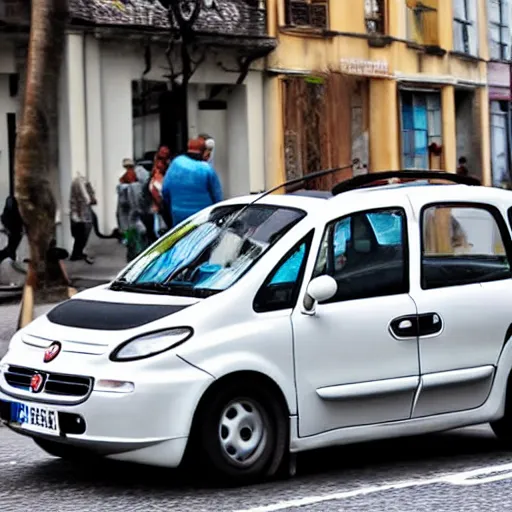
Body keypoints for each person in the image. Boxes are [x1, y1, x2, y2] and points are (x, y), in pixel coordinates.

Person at [162, 137, 223, 228]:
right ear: (204, 151)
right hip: (203, 220)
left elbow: (165, 190)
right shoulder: (207, 169)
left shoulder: (176, 163)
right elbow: (217, 198)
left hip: (179, 218)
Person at [116, 158, 148, 262]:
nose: (129, 171)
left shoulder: (131, 185)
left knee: (134, 238)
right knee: (133, 239)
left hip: (132, 218)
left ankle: (134, 256)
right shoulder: (128, 186)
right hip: (130, 219)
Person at [69, 173, 96, 264]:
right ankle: (77, 253)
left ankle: (78, 252)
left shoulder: (78, 184)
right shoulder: (79, 185)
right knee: (81, 234)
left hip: (81, 214)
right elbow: (87, 199)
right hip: (80, 214)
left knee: (81, 234)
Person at [0, 195, 23, 263]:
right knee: (9, 252)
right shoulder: (4, 216)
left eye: (12, 202)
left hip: (16, 236)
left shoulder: (19, 216)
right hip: (7, 237)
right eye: (9, 202)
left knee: (11, 252)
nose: (10, 204)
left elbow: (21, 228)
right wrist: (5, 230)